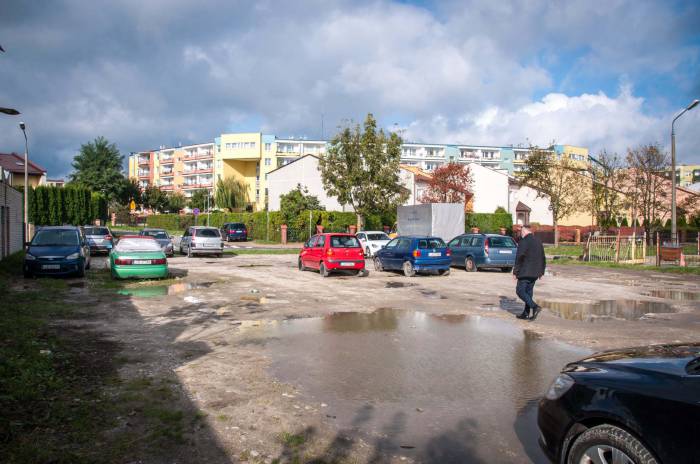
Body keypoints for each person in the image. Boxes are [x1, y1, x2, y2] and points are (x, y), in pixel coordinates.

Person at [513, 224, 546, 320]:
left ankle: (535, 306)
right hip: (535, 272)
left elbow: (519, 257)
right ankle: (526, 313)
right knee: (528, 292)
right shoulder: (538, 241)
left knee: (520, 291)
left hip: (525, 272)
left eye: (522, 231)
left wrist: (515, 271)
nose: (521, 233)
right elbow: (542, 257)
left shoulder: (524, 241)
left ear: (524, 231)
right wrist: (541, 271)